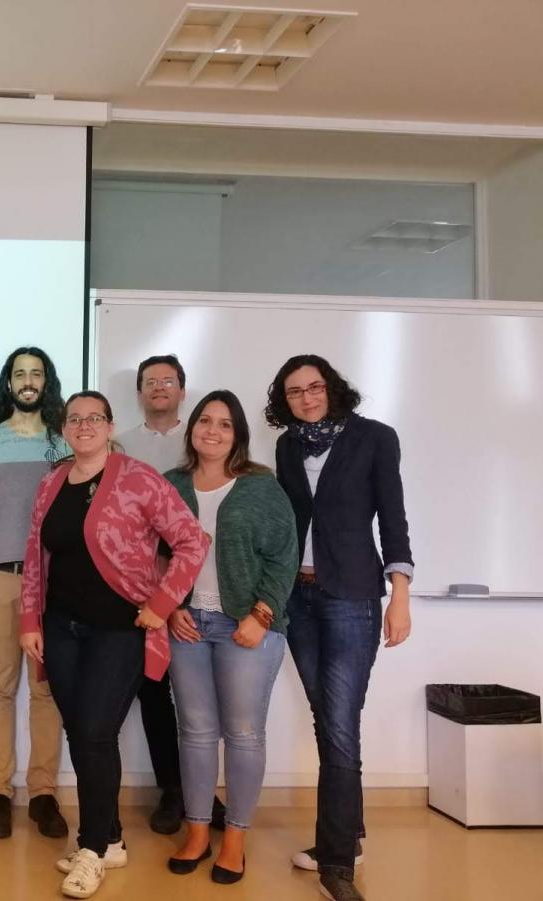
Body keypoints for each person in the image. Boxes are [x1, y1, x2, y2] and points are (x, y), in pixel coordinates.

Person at [20, 391, 208, 899]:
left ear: (109, 425)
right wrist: (29, 620)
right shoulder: (51, 484)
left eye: (94, 418)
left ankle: (93, 848)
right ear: (64, 427)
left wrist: (163, 604)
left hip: (119, 630)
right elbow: (35, 557)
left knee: (97, 734)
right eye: (75, 419)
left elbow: (192, 541)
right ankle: (114, 838)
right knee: (83, 734)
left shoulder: (138, 478)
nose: (84, 426)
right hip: (61, 629)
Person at [265, 355, 413, 901]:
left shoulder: (374, 437)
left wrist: (400, 595)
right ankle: (348, 834)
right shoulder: (287, 447)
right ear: (285, 400)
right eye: (295, 392)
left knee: (341, 724)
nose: (306, 398)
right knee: (330, 720)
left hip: (352, 594)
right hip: (297, 596)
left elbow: (392, 516)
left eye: (315, 387)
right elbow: (287, 524)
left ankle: (336, 866)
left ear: (332, 389)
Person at [163, 390, 298, 884]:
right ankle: (198, 831)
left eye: (224, 423)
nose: (213, 431)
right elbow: (151, 552)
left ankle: (235, 837)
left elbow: (285, 555)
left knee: (243, 734)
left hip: (246, 626)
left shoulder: (261, 487)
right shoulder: (171, 484)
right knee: (195, 734)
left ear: (237, 434)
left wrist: (262, 614)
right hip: (187, 625)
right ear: (192, 429)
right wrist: (171, 605)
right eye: (204, 421)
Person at [115, 353, 226, 833]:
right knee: (155, 692)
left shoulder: (200, 440)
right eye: (149, 382)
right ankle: (173, 791)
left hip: (200, 583)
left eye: (168, 381)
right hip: (141, 587)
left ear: (183, 390)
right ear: (139, 393)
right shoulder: (121, 446)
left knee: (201, 698)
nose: (158, 388)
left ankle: (205, 794)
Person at [0, 347, 69, 840]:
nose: (28, 381)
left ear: (46, 382)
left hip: (54, 582)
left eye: (36, 374)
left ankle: (43, 793)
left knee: (45, 689)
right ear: (7, 383)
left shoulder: (65, 442)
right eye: (19, 374)